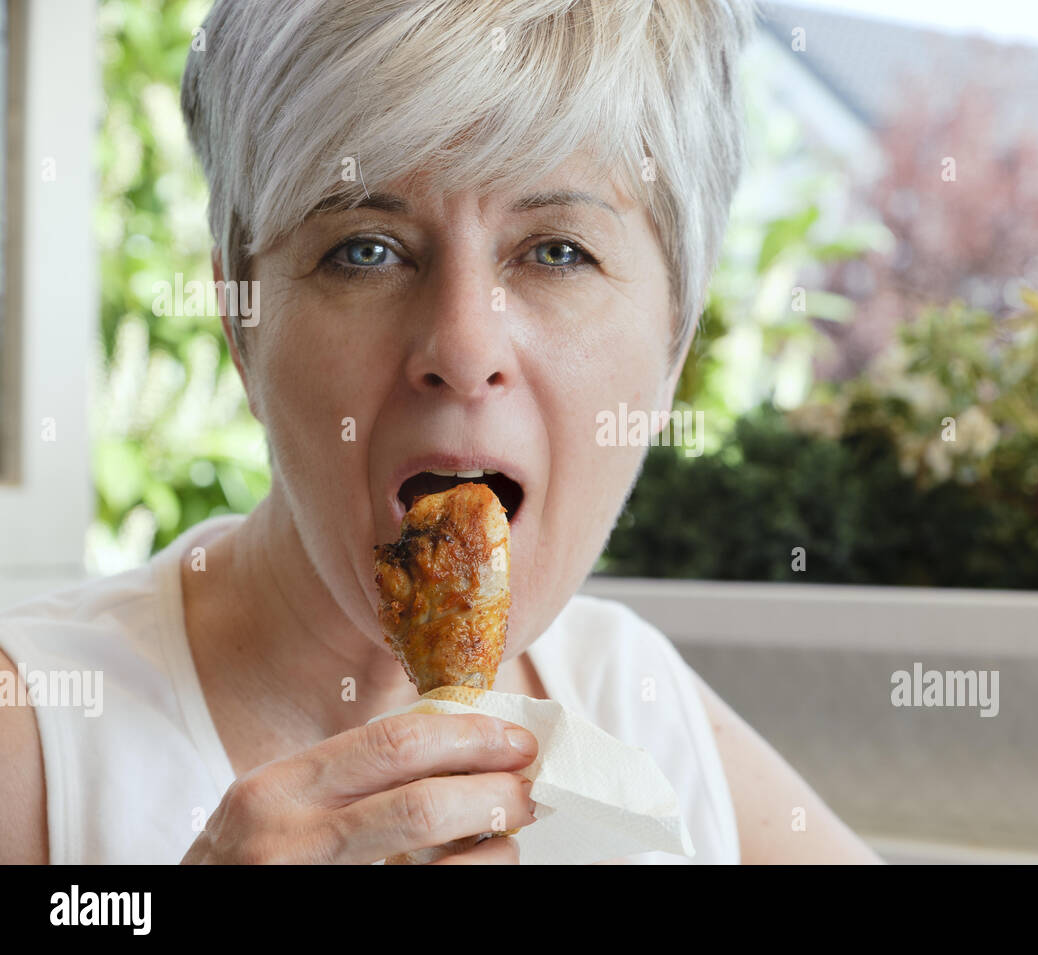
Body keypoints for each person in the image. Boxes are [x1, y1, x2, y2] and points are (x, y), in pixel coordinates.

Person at [0, 0, 882, 864]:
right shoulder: (31, 737)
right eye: (366, 249)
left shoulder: (643, 706)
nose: (463, 348)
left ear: (675, 336)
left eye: (557, 251)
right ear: (241, 319)